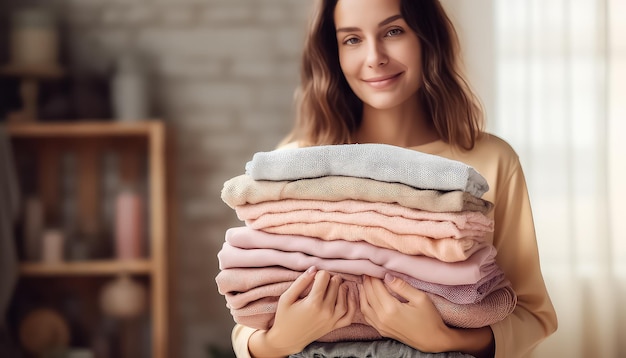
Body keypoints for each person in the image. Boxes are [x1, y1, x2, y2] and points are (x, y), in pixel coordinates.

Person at [231, 0, 558, 357]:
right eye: (352, 40)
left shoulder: (489, 161)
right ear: (334, 53)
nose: (374, 57)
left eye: (393, 31)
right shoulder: (298, 162)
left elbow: (532, 314)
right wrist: (282, 340)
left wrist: (445, 339)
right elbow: (251, 316)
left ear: (426, 38)